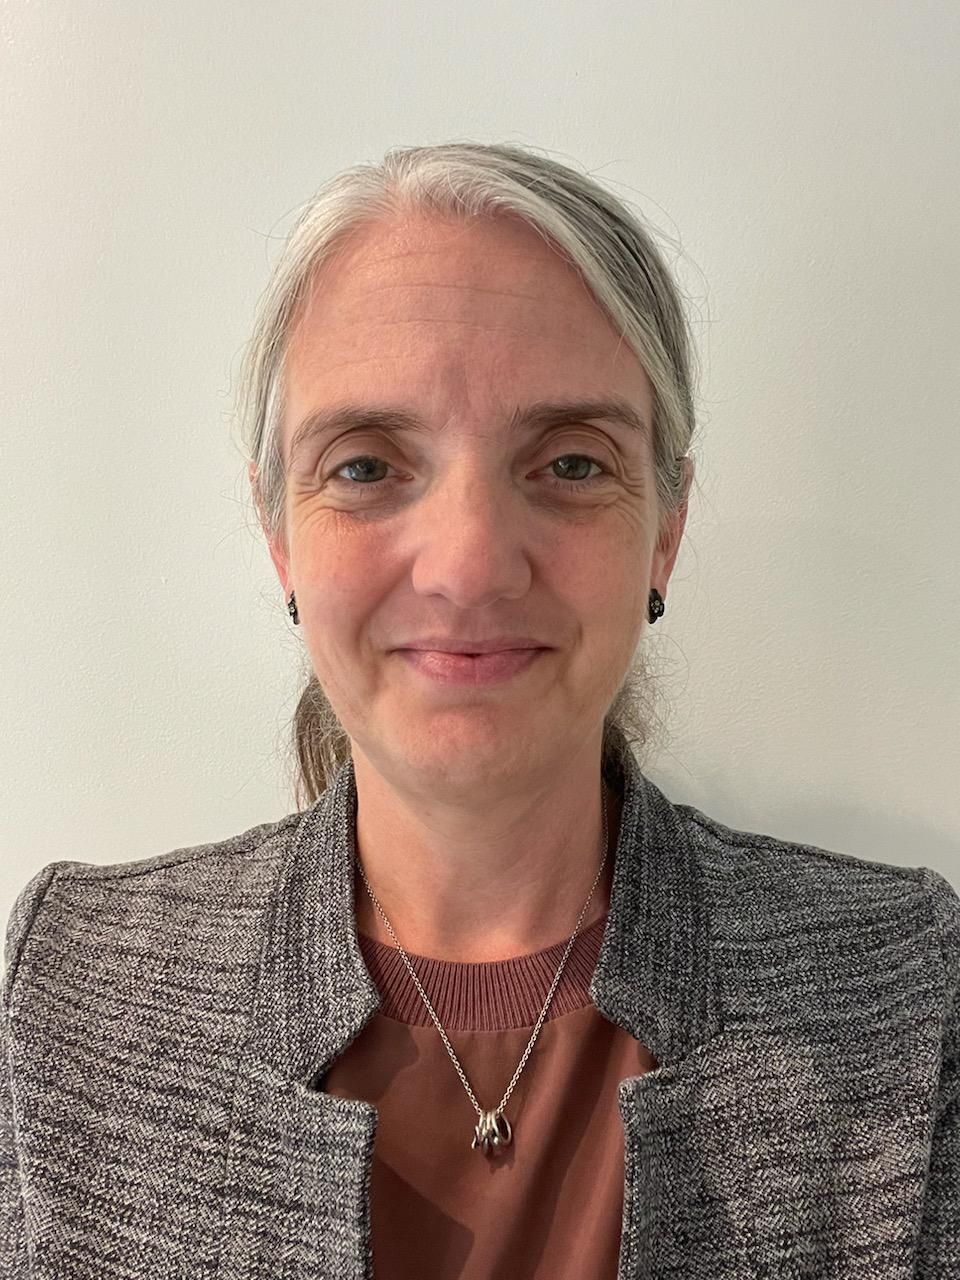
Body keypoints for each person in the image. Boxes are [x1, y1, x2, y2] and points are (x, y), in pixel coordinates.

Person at [1, 143, 957, 1280]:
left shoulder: (902, 988)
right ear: (278, 533)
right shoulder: (80, 988)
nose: (467, 567)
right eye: (366, 466)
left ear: (665, 529)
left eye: (570, 463)